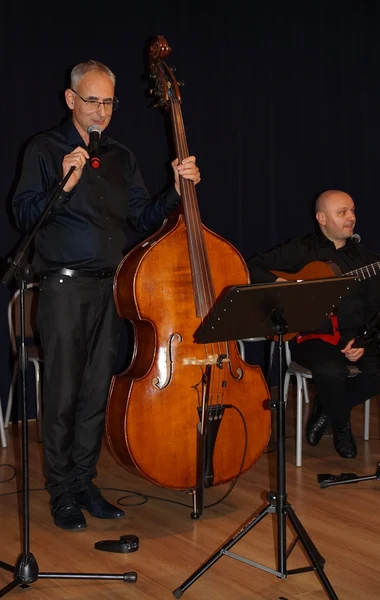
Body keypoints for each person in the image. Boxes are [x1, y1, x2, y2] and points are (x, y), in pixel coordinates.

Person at [12, 60, 201, 530]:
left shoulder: (121, 156)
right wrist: (62, 184)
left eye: (109, 102)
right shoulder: (44, 149)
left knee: (97, 390)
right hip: (63, 287)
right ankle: (61, 491)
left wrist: (175, 189)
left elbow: (142, 216)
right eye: (92, 100)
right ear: (70, 99)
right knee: (63, 394)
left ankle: (84, 482)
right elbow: (23, 215)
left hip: (111, 288)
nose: (101, 111)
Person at [247, 189, 380, 460]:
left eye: (352, 211)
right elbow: (252, 267)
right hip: (311, 335)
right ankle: (341, 426)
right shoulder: (301, 249)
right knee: (330, 370)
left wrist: (363, 341)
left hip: (354, 335)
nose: (351, 217)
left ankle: (328, 407)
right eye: (342, 212)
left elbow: (376, 309)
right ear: (322, 218)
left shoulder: (366, 259)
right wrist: (284, 287)